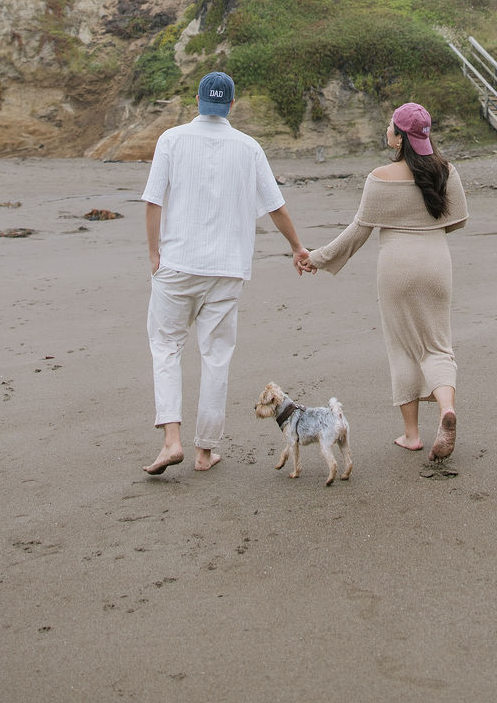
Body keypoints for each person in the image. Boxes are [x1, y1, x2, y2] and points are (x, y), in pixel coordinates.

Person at [142, 70, 309, 475]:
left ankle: (171, 441)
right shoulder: (249, 147)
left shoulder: (172, 139)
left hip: (178, 264)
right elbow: (275, 206)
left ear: (197, 101)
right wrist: (297, 247)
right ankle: (205, 452)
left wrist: (153, 254)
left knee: (166, 348)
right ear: (231, 105)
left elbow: (152, 201)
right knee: (215, 357)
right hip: (228, 270)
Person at [297, 102, 467, 461]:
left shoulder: (379, 178)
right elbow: (456, 221)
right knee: (437, 344)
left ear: (399, 139)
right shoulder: (446, 172)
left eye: (390, 126)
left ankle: (411, 435)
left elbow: (357, 233)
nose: (387, 130)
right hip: (437, 263)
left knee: (402, 347)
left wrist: (317, 258)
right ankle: (446, 410)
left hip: (396, 268)